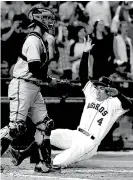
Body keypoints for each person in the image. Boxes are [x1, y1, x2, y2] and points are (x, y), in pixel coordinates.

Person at [49, 35, 132, 168]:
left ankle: (61, 160)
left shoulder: (114, 103)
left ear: (109, 91)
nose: (98, 90)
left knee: (58, 162)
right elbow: (83, 75)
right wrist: (85, 52)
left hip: (88, 143)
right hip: (76, 134)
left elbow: (129, 105)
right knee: (49, 134)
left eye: (102, 88)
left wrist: (119, 94)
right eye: (97, 87)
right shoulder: (92, 94)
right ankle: (26, 154)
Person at [0, 5, 57, 173]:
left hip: (34, 88)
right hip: (23, 85)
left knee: (45, 125)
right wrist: (51, 81)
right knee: (16, 127)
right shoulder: (33, 40)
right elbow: (34, 69)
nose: (50, 22)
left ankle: (43, 164)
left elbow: (41, 70)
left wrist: (52, 81)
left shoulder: (42, 40)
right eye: (46, 18)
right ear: (38, 19)